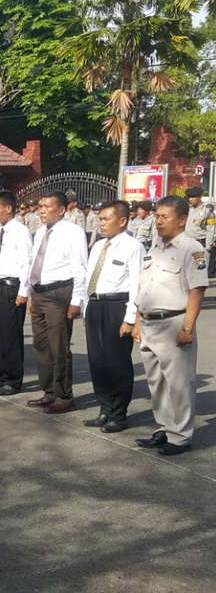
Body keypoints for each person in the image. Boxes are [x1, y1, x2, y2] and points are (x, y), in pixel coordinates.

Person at [133, 195, 208, 455]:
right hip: (150, 323)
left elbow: (197, 291)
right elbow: (145, 288)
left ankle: (181, 436)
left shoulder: (192, 249)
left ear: (183, 219)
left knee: (179, 382)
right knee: (157, 382)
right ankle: (164, 428)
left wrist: (187, 328)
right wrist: (138, 321)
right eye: (157, 216)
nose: (159, 221)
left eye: (165, 217)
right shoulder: (155, 248)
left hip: (174, 322)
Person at [25, 191, 88, 414]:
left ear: (61, 209)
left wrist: (77, 300)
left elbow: (79, 267)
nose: (41, 209)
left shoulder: (73, 232)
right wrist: (31, 293)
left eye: (46, 206)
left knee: (59, 345)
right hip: (40, 292)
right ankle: (48, 391)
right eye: (40, 206)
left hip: (59, 293)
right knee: (41, 345)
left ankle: (63, 395)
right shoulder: (40, 231)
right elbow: (34, 263)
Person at [83, 200, 143, 433]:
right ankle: (104, 408)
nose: (101, 223)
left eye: (106, 219)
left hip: (118, 305)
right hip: (96, 304)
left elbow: (137, 284)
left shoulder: (133, 246)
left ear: (122, 221)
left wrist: (130, 318)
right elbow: (89, 278)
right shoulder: (98, 246)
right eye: (100, 219)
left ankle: (119, 414)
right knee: (97, 361)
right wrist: (87, 308)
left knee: (117, 362)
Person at [0, 190, 32, 395]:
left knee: (10, 335)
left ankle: (13, 380)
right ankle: (0, 376)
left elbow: (27, 262)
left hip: (13, 287)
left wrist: (24, 291)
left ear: (8, 208)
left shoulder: (20, 231)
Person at [183, 186, 216, 277]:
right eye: (189, 197)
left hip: (200, 243)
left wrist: (208, 246)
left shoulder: (207, 211)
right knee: (187, 270)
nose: (190, 199)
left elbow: (211, 229)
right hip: (187, 243)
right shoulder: (188, 209)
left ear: (199, 197)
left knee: (200, 269)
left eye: (192, 197)